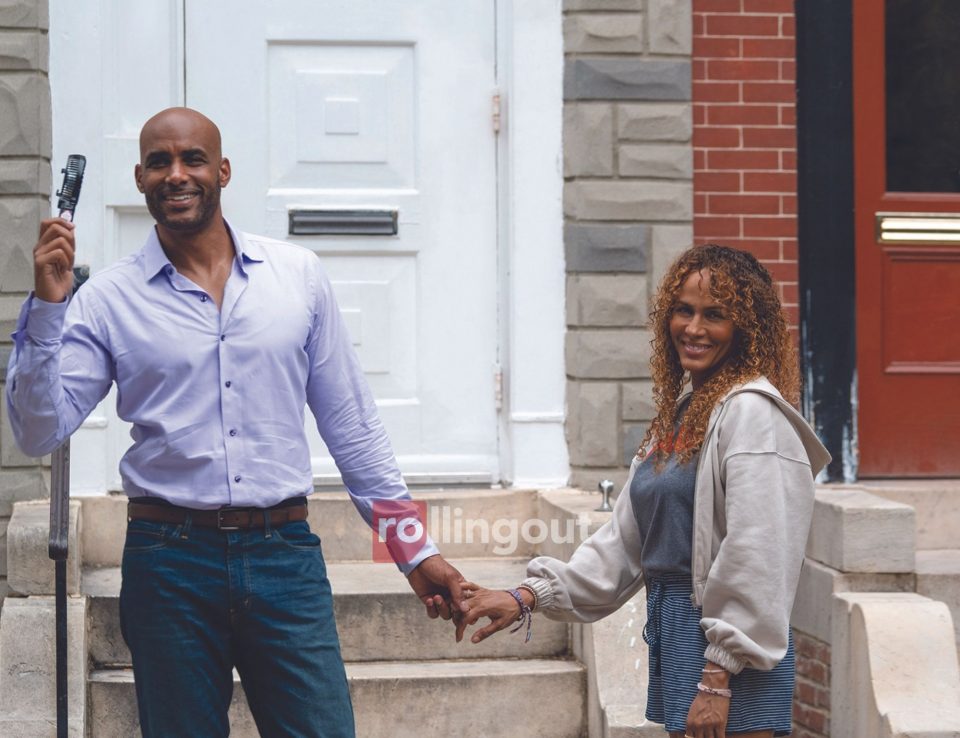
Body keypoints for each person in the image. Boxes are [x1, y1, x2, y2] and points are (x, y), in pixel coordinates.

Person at [6, 107, 465, 738]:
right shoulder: (107, 299)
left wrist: (415, 552)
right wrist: (48, 313)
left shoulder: (296, 277)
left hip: (284, 557)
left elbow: (353, 428)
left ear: (222, 170)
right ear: (139, 178)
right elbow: (38, 430)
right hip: (169, 563)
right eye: (160, 162)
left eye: (192, 158)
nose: (177, 174)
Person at [459, 245, 831, 738]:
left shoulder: (754, 415)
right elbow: (623, 545)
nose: (693, 328)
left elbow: (761, 553)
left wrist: (718, 674)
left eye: (714, 315)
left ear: (745, 329)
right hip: (678, 635)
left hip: (728, 654)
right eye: (684, 309)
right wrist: (528, 594)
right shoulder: (682, 417)